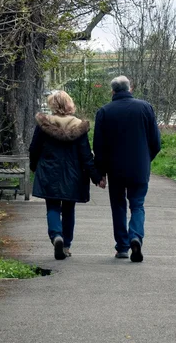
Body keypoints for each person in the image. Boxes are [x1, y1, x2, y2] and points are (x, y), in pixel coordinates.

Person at [93, 76, 161, 262]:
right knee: (137, 205)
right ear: (130, 89)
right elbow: (156, 142)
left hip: (115, 170)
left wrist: (100, 173)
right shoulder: (145, 108)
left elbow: (99, 146)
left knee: (118, 206)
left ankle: (122, 247)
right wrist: (147, 159)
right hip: (139, 167)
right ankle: (135, 237)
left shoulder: (104, 112)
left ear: (112, 91)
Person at [29, 90, 102, 260]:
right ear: (69, 104)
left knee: (52, 206)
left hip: (49, 171)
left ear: (53, 105)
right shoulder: (79, 126)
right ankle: (66, 245)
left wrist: (34, 166)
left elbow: (34, 148)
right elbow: (86, 155)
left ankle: (56, 236)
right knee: (69, 209)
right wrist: (96, 176)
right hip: (73, 174)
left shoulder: (44, 125)